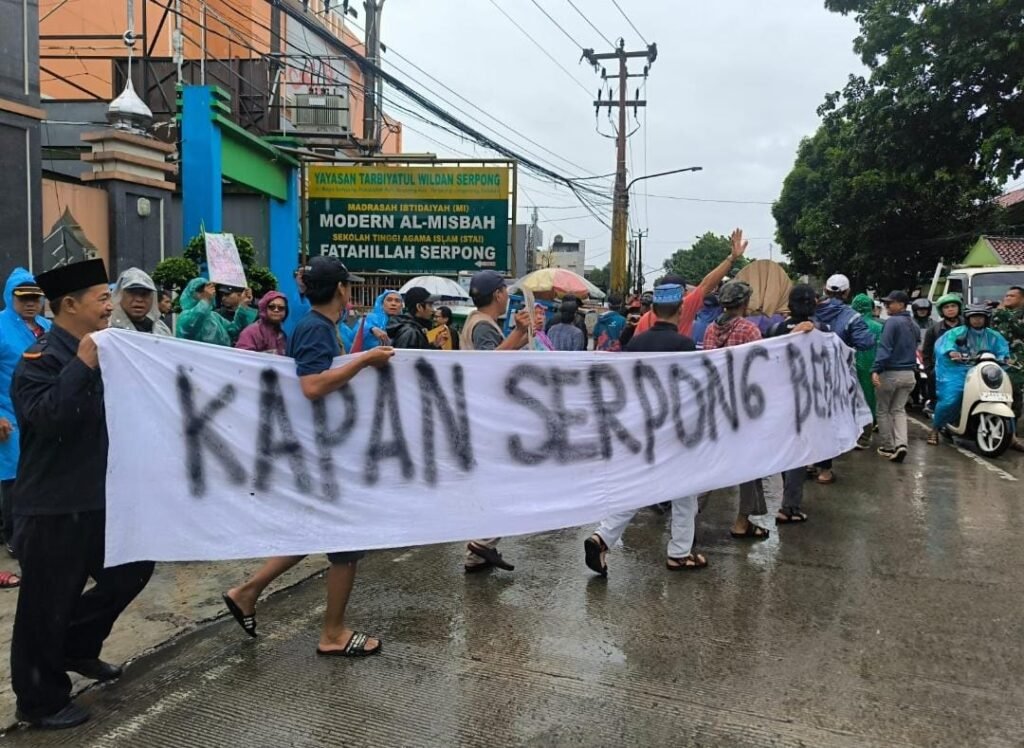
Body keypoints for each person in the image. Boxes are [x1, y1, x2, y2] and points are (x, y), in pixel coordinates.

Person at [222, 257, 393, 657]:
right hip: (323, 454)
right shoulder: (316, 329)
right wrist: (366, 360)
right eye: (348, 286)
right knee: (345, 547)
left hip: (323, 448)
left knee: (309, 532)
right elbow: (312, 386)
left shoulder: (319, 327)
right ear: (340, 291)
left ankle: (247, 592)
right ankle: (332, 633)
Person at [10, 259, 155, 729]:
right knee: (44, 605)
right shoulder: (39, 361)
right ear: (68, 305)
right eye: (100, 297)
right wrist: (83, 363)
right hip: (53, 505)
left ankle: (75, 644)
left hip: (101, 497)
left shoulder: (114, 351)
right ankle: (40, 700)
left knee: (133, 569)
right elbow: (49, 418)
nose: (108, 305)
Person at [584, 283, 706, 575]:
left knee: (637, 490)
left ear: (652, 311)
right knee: (685, 493)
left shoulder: (636, 343)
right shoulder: (684, 345)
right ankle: (679, 552)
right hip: (674, 430)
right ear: (679, 311)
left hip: (641, 429)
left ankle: (603, 536)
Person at [459, 270, 530, 572]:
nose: (507, 296)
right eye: (504, 290)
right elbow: (488, 364)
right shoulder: (483, 326)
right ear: (498, 294)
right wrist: (517, 335)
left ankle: (478, 553)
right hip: (487, 417)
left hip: (482, 414)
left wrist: (525, 333)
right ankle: (483, 541)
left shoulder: (480, 323)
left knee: (491, 482)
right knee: (509, 482)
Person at [703, 281, 769, 541]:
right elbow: (761, 366)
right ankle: (742, 521)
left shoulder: (710, 329)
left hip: (714, 404)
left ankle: (688, 515)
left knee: (710, 462)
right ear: (744, 303)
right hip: (743, 407)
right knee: (748, 465)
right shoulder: (749, 330)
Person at [0, 269, 51, 563]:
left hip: (41, 413)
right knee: (14, 479)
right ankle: (15, 537)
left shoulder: (46, 327)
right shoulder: (1, 326)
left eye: (35, 297)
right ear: (11, 297)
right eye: (24, 298)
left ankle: (40, 533)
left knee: (39, 475)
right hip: (9, 415)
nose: (31, 303)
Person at [765, 284, 827, 525]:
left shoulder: (775, 329)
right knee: (800, 453)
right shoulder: (822, 331)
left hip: (779, 399)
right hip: (807, 400)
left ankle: (789, 499)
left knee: (786, 450)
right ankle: (789, 507)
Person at [626, 228, 750, 346]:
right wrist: (731, 258)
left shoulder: (643, 324)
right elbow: (706, 284)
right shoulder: (686, 309)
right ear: (681, 304)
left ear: (654, 306)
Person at [811, 274, 877, 482]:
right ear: (847, 293)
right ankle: (824, 470)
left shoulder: (811, 312)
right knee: (830, 420)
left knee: (810, 419)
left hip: (809, 373)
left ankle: (807, 463)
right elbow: (865, 342)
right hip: (837, 377)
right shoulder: (851, 316)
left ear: (825, 290)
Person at [932, 304, 1011, 440]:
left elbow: (1003, 351)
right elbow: (945, 344)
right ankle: (935, 428)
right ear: (968, 318)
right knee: (951, 399)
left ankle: (1011, 436)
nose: (977, 320)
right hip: (958, 370)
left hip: (985, 371)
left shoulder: (994, 335)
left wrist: (1006, 358)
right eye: (974, 317)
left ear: (986, 319)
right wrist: (952, 352)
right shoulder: (956, 332)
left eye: (981, 317)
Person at [871, 291, 920, 463]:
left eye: (890, 303)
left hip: (890, 373)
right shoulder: (913, 323)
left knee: (883, 410)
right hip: (909, 374)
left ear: (901, 304)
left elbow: (885, 349)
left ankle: (887, 446)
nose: (886, 306)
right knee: (899, 410)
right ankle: (901, 444)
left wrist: (875, 369)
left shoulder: (892, 322)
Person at [923, 293, 964, 444]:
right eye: (947, 307)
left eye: (953, 306)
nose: (951, 309)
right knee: (945, 401)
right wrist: (929, 370)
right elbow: (926, 353)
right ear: (941, 311)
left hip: (966, 367)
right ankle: (934, 430)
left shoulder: (968, 327)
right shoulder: (933, 330)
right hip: (943, 370)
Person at [991, 286, 1024, 452]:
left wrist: (1002, 312)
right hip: (997, 361)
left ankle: (1012, 435)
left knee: (1015, 396)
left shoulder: (1016, 315)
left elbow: (1020, 330)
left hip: (1017, 364)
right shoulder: (998, 314)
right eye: (1006, 295)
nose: (1007, 298)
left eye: (1012, 296)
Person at [176, 277, 253, 346]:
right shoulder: (184, 316)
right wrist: (205, 300)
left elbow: (233, 330)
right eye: (200, 290)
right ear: (190, 294)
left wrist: (243, 305)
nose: (205, 293)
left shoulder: (214, 316)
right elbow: (191, 327)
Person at [850, 294, 884, 449]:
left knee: (850, 398)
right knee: (868, 398)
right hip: (871, 367)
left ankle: (852, 431)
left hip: (851, 366)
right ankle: (866, 432)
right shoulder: (878, 327)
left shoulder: (849, 323)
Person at [108, 268, 172, 336]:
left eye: (144, 294)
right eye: (133, 293)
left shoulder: (162, 330)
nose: (139, 299)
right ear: (120, 295)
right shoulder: (107, 328)